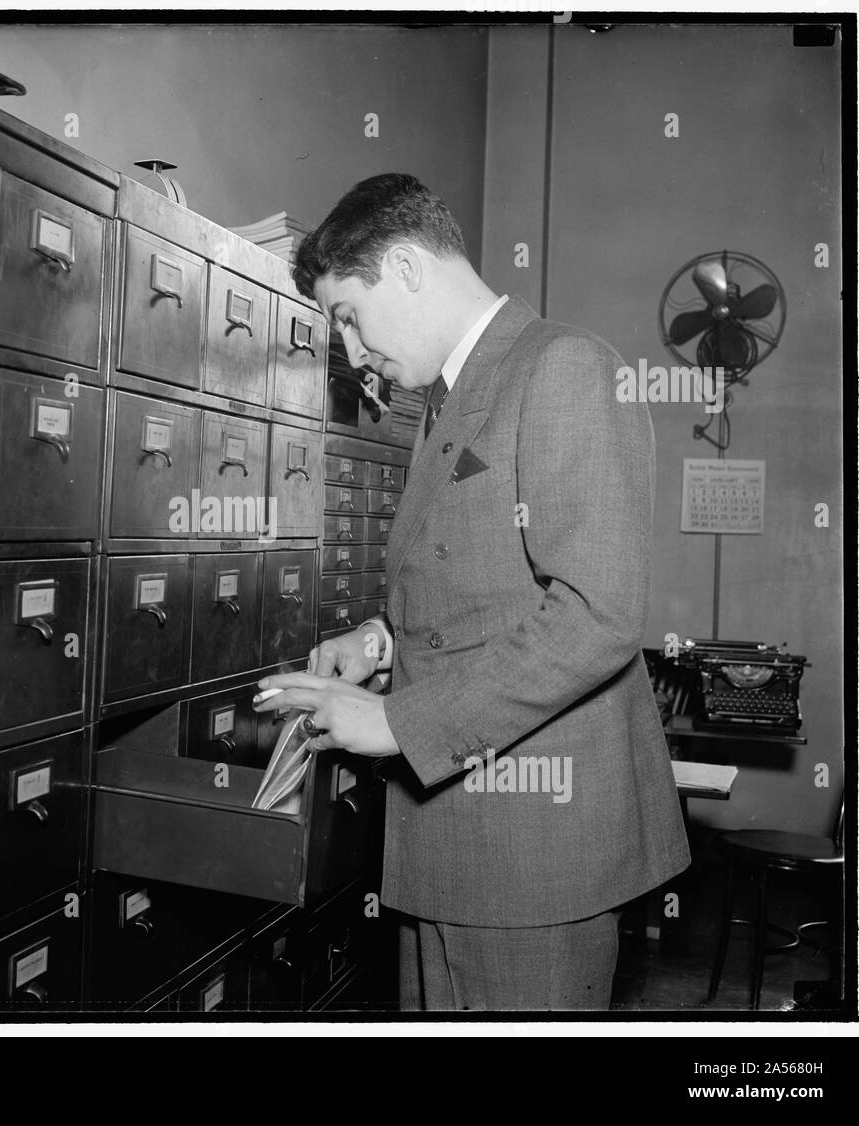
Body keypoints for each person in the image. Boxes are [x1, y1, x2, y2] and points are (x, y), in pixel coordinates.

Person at [255, 173, 690, 1011]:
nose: (351, 352)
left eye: (348, 315)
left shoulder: (562, 366)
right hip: (454, 838)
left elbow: (598, 614)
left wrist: (395, 721)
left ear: (410, 268)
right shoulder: (447, 401)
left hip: (533, 857)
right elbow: (475, 584)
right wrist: (381, 641)